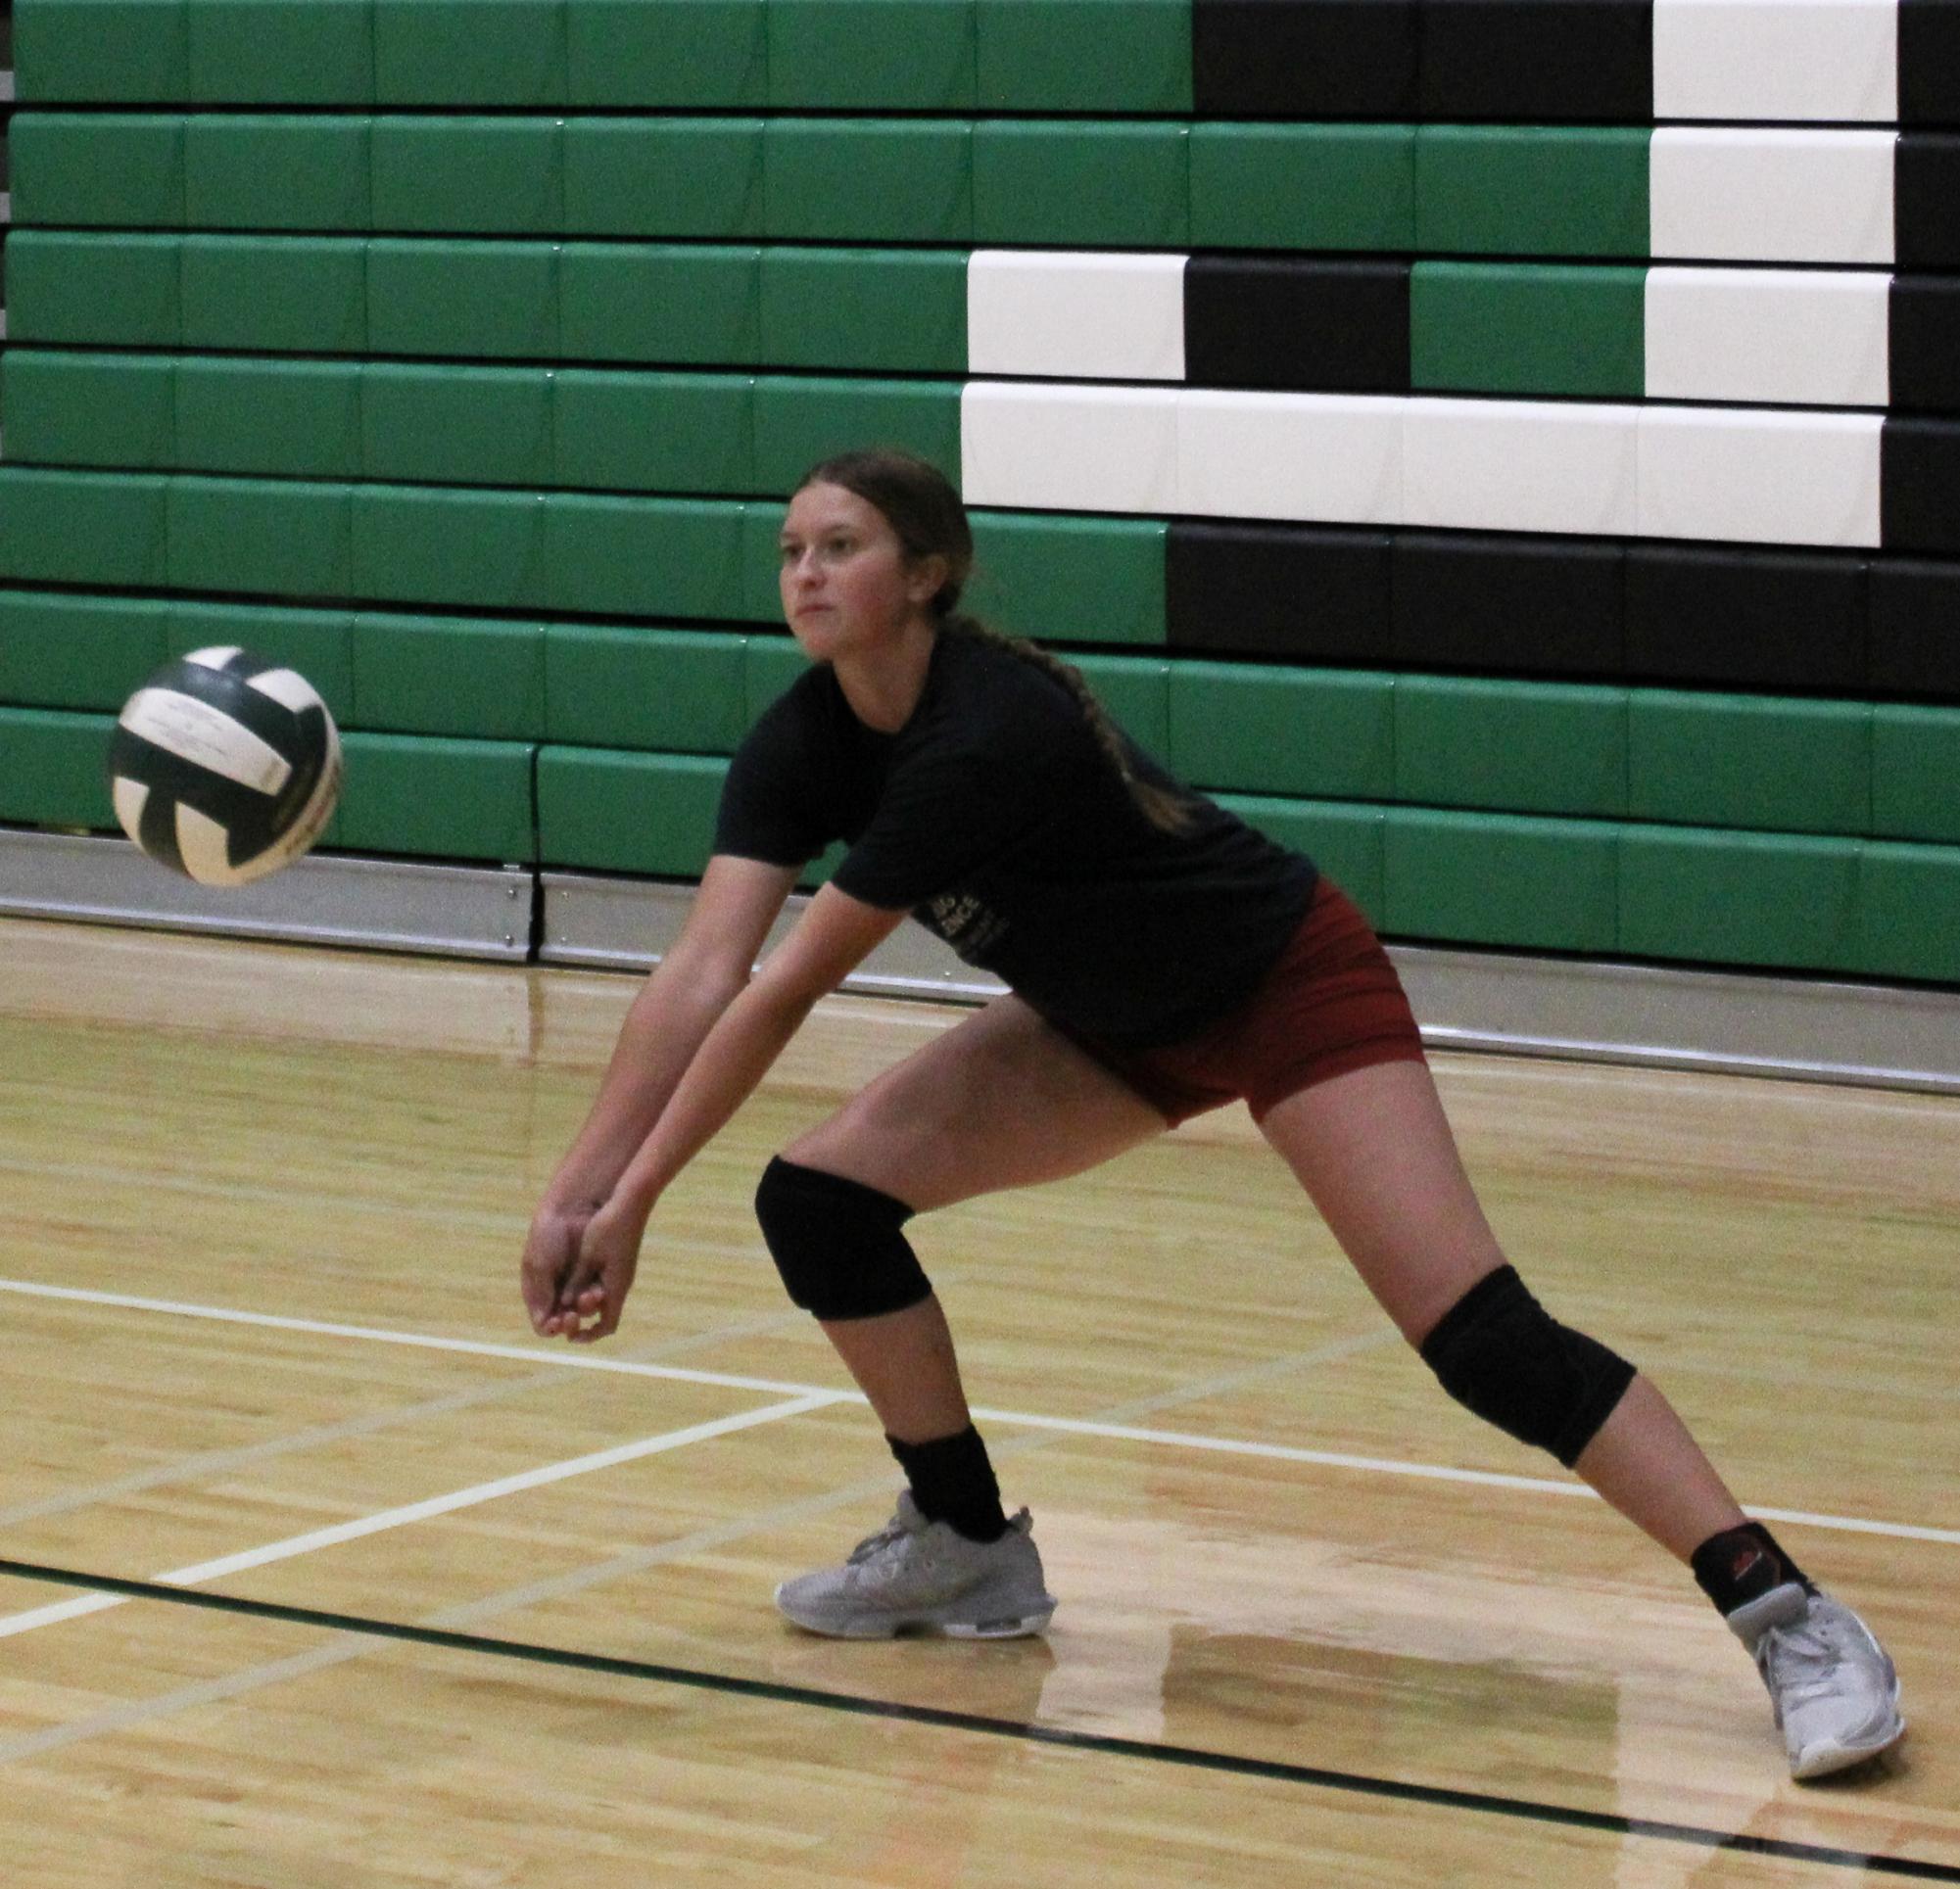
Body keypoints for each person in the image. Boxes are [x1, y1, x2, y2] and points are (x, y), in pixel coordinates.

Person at [520, 448, 1904, 1783]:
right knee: (818, 1201)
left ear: (929, 573)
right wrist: (574, 1191)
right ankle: (963, 1538)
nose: (805, 575)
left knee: (1479, 1334)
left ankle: (1788, 1616)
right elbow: (702, 968)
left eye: (841, 547)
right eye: (789, 551)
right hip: (1105, 1022)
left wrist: (635, 1205)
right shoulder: (805, 735)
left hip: (1277, 976)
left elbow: (779, 995)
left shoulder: (983, 730)